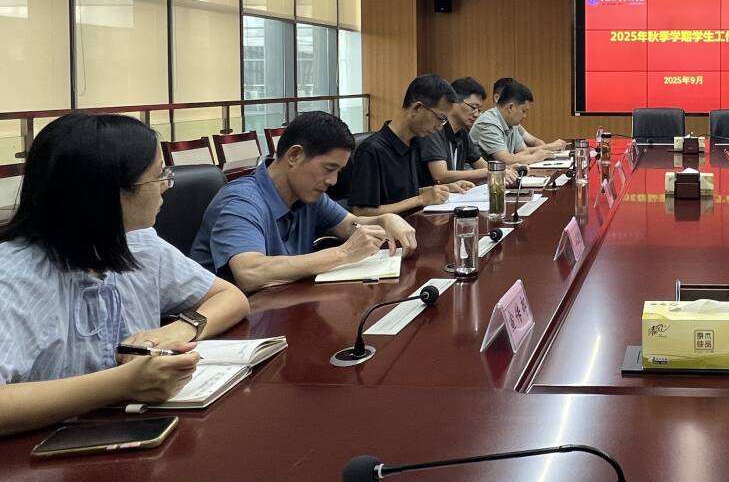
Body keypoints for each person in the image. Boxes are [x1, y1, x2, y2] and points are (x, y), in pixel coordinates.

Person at [0, 113, 249, 437]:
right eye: (158, 176)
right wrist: (122, 384)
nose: (167, 186)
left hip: (130, 437)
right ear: (107, 193)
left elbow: (231, 297)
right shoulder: (13, 278)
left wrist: (179, 329)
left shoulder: (139, 243)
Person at [190, 111, 418, 293]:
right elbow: (250, 273)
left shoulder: (307, 195)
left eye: (338, 171)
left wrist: (384, 219)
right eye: (329, 168)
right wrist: (343, 253)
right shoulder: (241, 202)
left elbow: (351, 225)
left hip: (280, 307)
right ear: (294, 155)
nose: (333, 181)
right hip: (226, 328)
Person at [348, 74, 457, 216]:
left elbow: (401, 194)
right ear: (417, 108)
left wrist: (441, 190)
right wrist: (420, 199)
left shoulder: (415, 143)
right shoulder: (371, 150)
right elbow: (361, 212)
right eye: (440, 119)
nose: (440, 127)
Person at [421, 77, 518, 187]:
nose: (476, 114)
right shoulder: (435, 129)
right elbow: (440, 175)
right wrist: (489, 172)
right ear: (454, 101)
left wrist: (506, 169)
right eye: (473, 107)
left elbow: (483, 165)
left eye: (479, 110)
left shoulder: (462, 133)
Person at [472, 81, 555, 165]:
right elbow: (506, 161)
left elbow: (523, 151)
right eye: (523, 111)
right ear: (510, 107)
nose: (524, 116)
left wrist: (515, 157)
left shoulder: (511, 123)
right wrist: (536, 156)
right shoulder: (488, 123)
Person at [491, 77, 565, 154]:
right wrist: (547, 148)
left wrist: (548, 150)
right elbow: (506, 158)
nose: (524, 116)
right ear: (497, 98)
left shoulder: (512, 123)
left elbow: (530, 144)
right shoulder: (490, 123)